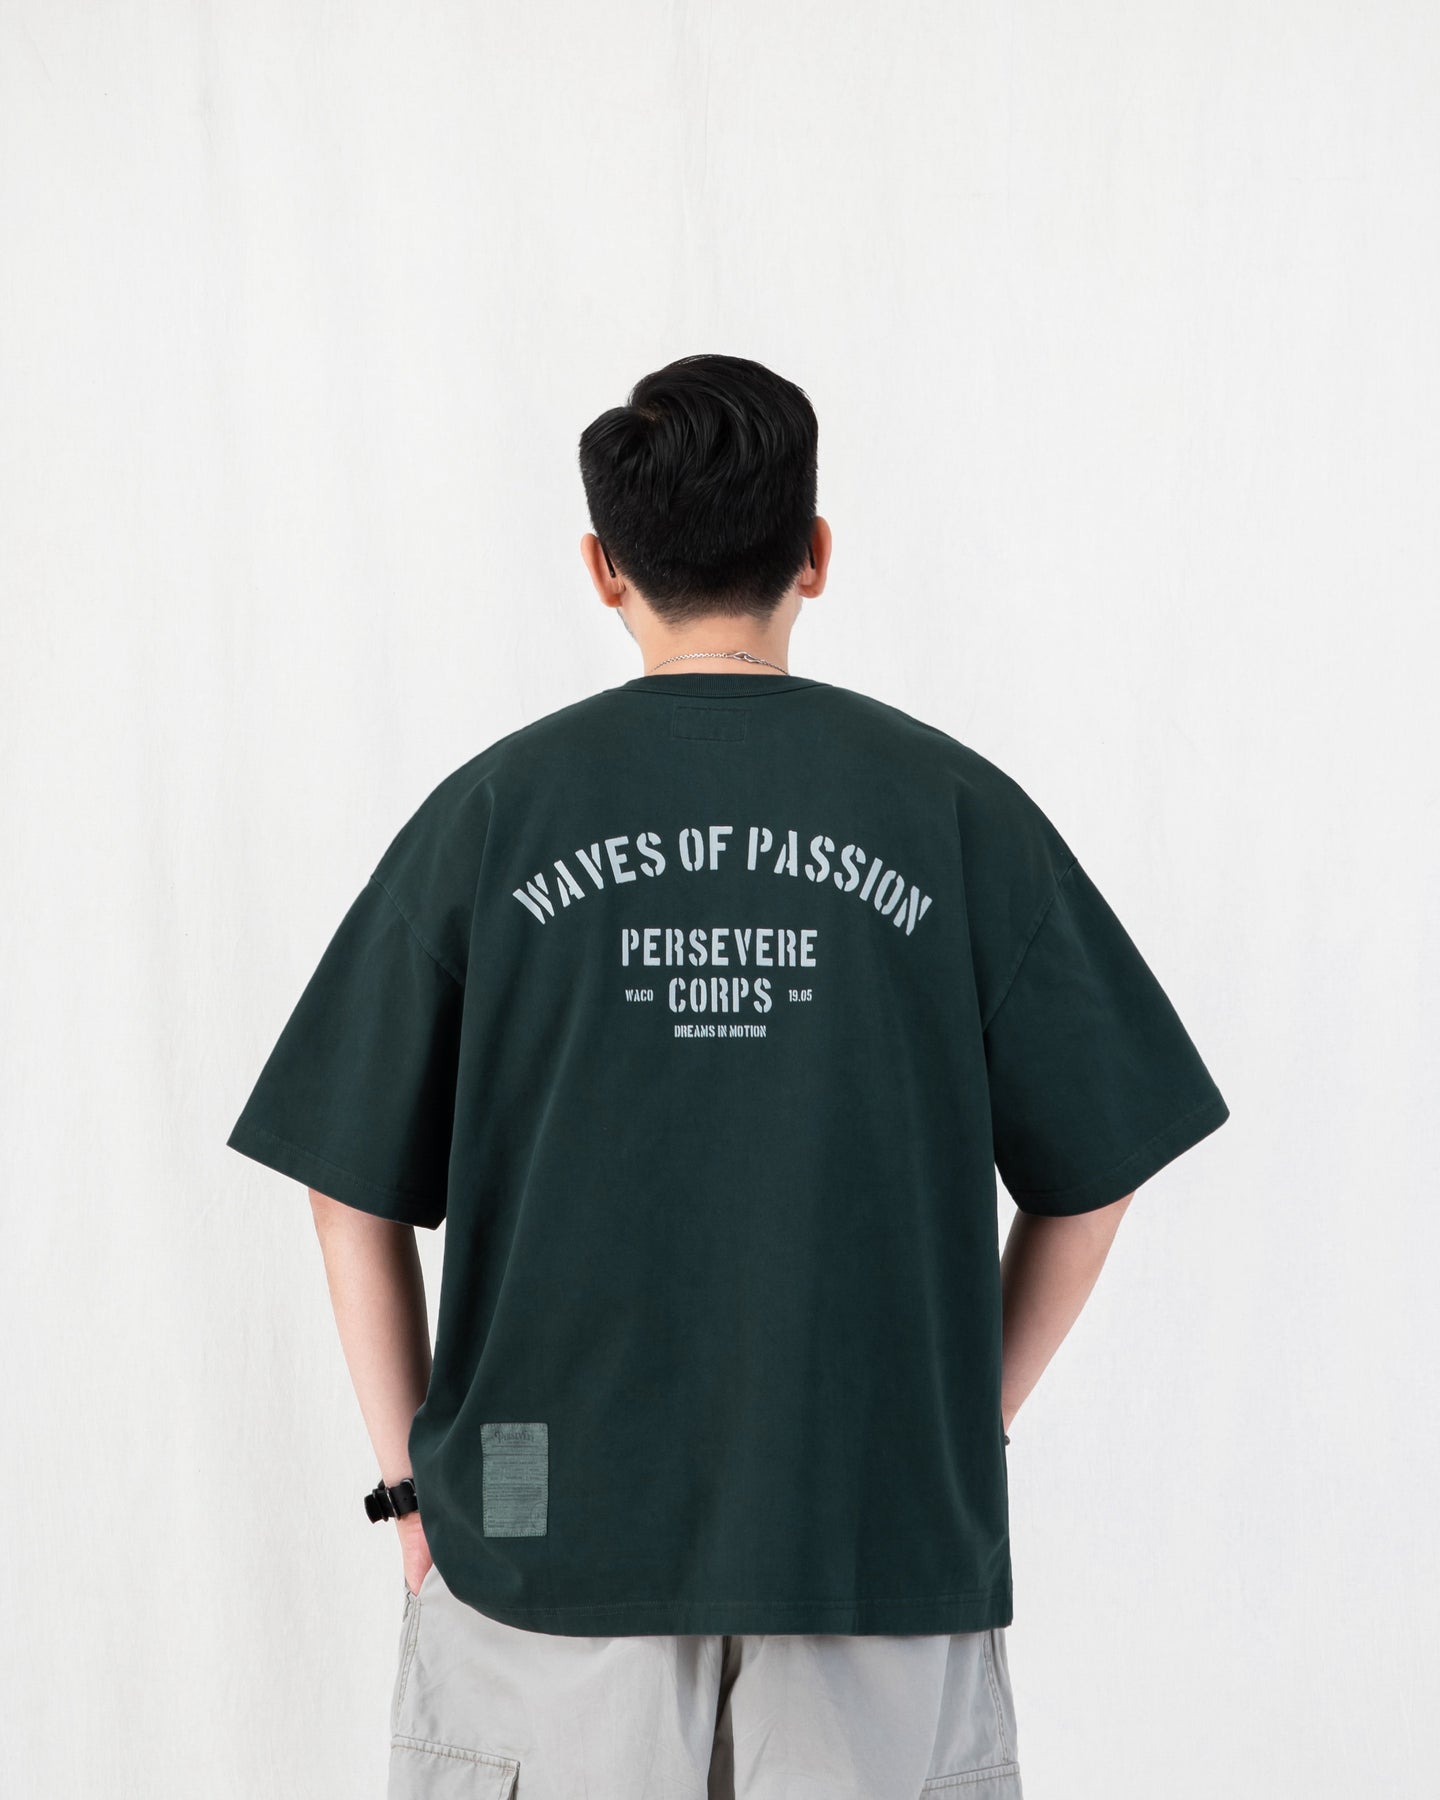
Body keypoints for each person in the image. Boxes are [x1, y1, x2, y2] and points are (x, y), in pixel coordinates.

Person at [226, 353, 1229, 1800]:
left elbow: (346, 1189)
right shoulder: (954, 813)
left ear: (602, 568)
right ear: (813, 552)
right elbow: (1098, 1170)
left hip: (538, 1540)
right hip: (874, 1539)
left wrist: (412, 1491)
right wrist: (961, 1424)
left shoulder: (495, 816)